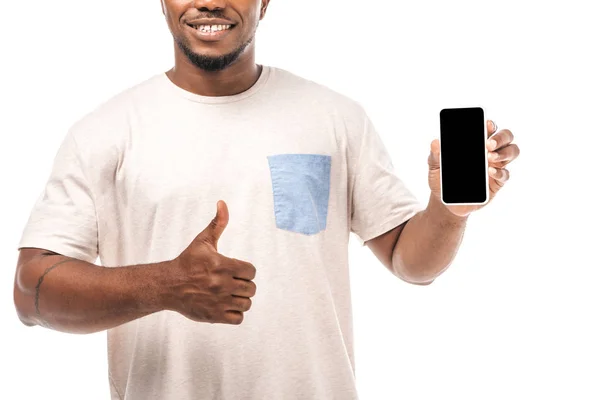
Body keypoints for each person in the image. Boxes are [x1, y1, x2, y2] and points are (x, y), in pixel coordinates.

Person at [13, 0, 520, 399]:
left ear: (266, 1)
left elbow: (413, 264)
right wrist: (165, 285)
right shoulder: (105, 131)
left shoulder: (334, 117)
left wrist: (448, 210)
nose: (209, 2)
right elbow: (31, 293)